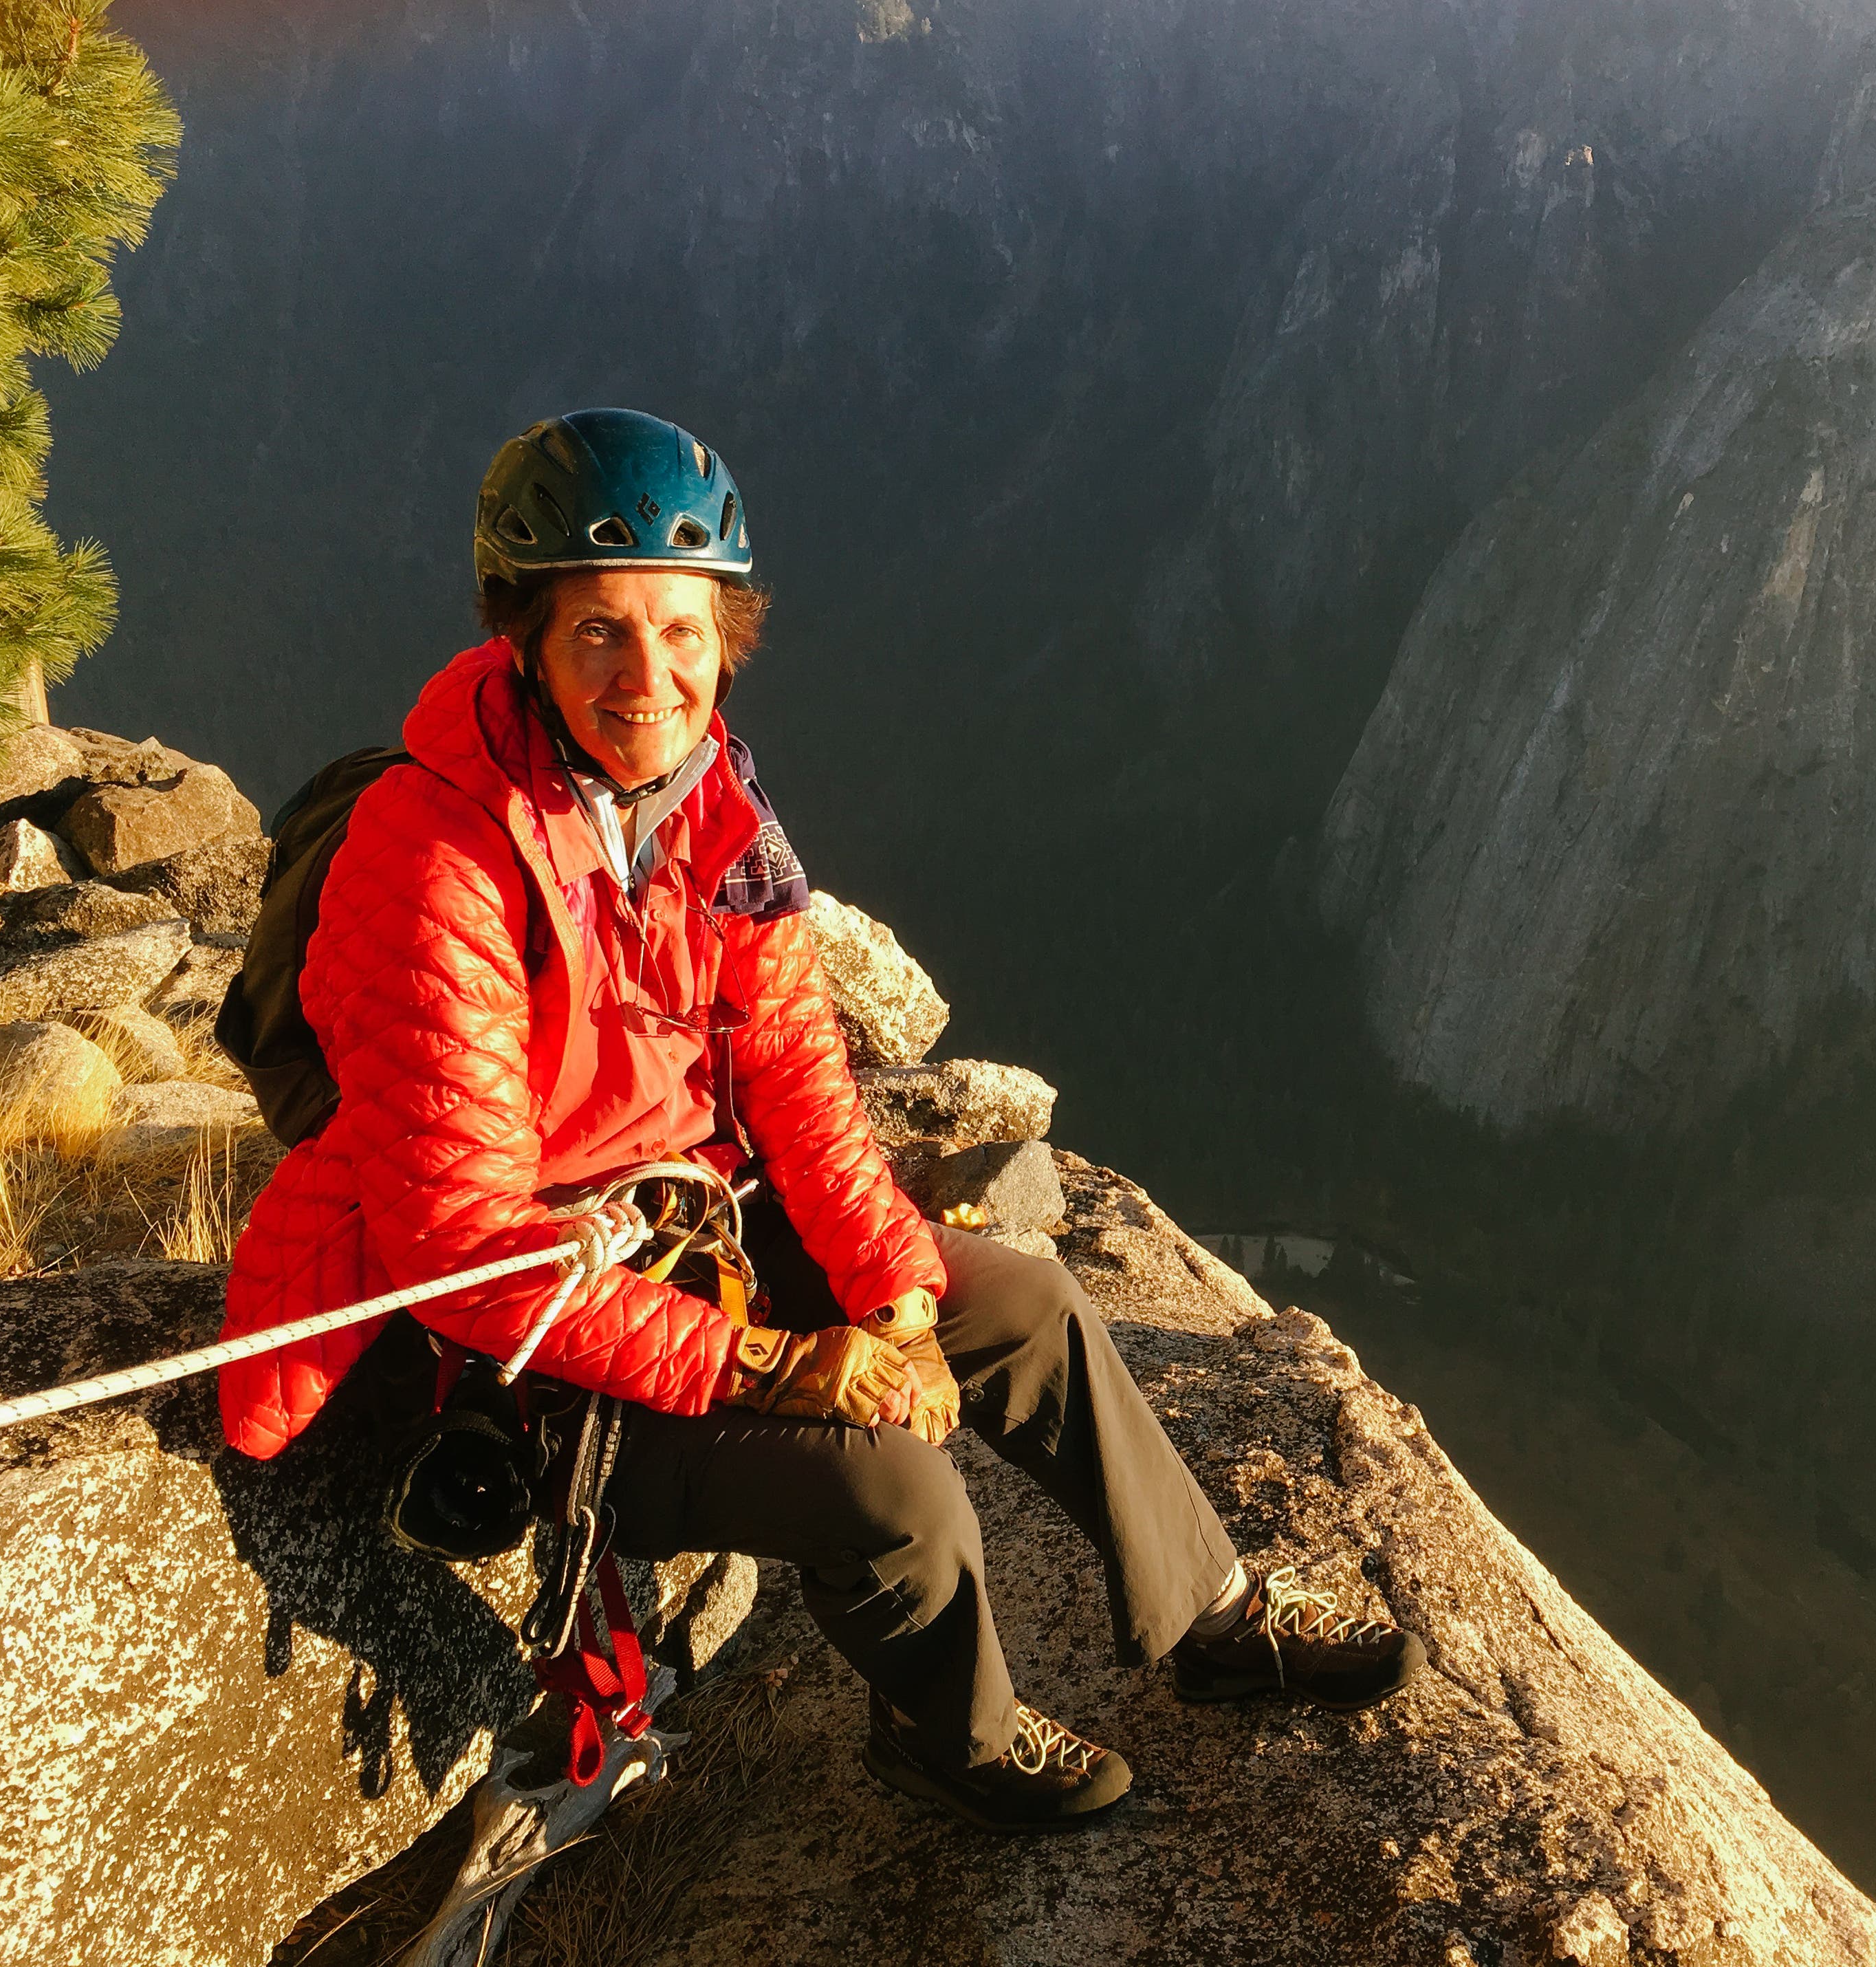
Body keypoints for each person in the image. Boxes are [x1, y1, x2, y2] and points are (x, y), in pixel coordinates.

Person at [215, 407, 1421, 1830]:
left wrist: (897, 1303)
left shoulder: (713, 796)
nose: (649, 674)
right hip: (537, 1358)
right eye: (598, 629)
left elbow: (793, 1073)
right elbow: (470, 1251)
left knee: (1025, 1305)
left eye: (680, 628)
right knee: (890, 1480)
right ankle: (947, 1734)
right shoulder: (437, 859)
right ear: (522, 636)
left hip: (684, 1233)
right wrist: (791, 1362)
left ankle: (1213, 1615)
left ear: (728, 629)